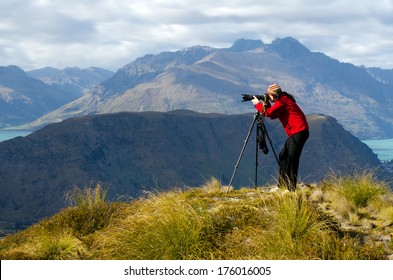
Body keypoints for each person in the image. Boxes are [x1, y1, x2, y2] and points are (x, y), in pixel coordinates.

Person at [251, 83, 309, 191]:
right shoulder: (282, 100)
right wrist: (266, 103)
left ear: (273, 94)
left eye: (269, 96)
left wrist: (258, 104)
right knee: (283, 156)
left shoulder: (283, 101)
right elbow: (273, 115)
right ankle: (281, 185)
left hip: (299, 132)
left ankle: (291, 189)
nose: (269, 98)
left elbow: (268, 114)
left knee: (292, 159)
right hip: (296, 132)